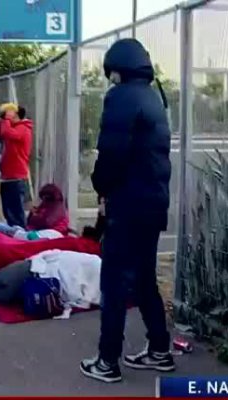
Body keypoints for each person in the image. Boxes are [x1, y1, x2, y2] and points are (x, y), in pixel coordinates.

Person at [80, 38, 174, 383]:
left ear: (117, 68)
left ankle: (107, 361)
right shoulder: (154, 97)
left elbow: (112, 152)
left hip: (128, 203)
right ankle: (160, 349)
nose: (111, 79)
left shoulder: (121, 97)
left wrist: (101, 186)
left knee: (115, 280)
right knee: (145, 276)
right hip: (153, 202)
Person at [0, 104, 33, 228]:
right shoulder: (13, 128)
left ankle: (21, 234)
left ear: (16, 115)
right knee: (8, 211)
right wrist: (3, 120)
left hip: (16, 176)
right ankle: (14, 233)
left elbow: (7, 132)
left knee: (16, 211)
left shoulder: (23, 128)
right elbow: (0, 132)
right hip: (8, 176)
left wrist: (6, 120)